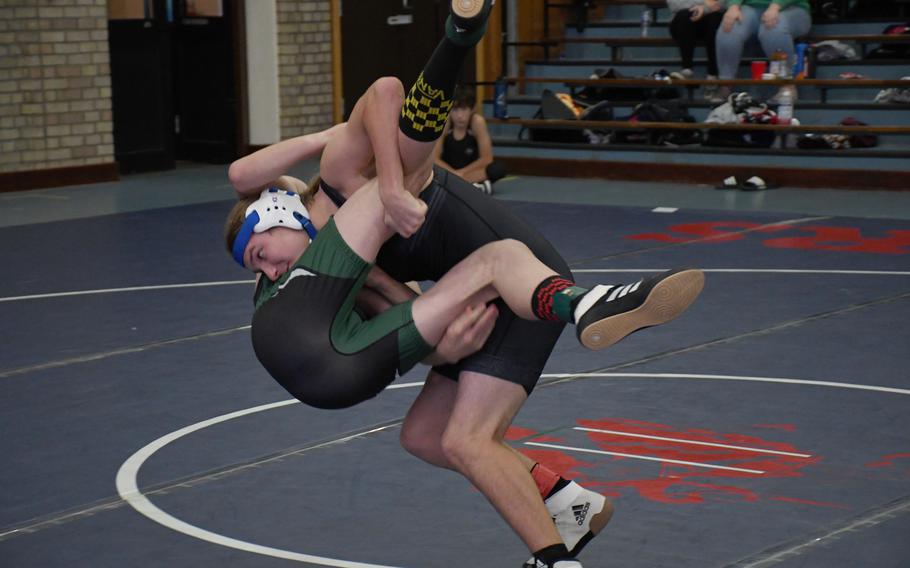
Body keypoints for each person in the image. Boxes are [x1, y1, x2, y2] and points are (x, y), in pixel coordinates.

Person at [226, 2, 704, 565]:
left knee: (467, 439)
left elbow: (372, 100)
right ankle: (568, 503)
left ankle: (588, 305)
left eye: (262, 256)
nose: (272, 274)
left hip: (516, 273)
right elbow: (406, 316)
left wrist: (385, 186)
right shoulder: (344, 270)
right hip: (481, 290)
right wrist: (440, 343)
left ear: (279, 211)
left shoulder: (338, 180)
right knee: (425, 436)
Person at [715, 0, 812, 101]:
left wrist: (775, 6)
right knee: (729, 28)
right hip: (751, 7)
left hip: (793, 7)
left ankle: (786, 86)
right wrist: (733, 6)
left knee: (774, 29)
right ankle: (725, 85)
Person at [433, 85, 506, 194]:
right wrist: (454, 173)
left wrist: (461, 173)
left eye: (464, 109)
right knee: (426, 167)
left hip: (470, 171)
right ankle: (473, 187)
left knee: (497, 168)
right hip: (448, 171)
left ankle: (455, 186)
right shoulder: (445, 123)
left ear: (472, 109)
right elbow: (434, 158)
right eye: (455, 110)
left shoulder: (477, 122)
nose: (459, 115)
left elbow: (487, 159)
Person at [667, 0, 725, 99]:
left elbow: (722, 3)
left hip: (710, 19)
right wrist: (705, 4)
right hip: (684, 20)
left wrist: (704, 9)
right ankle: (687, 70)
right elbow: (674, 4)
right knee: (684, 15)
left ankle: (713, 75)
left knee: (715, 18)